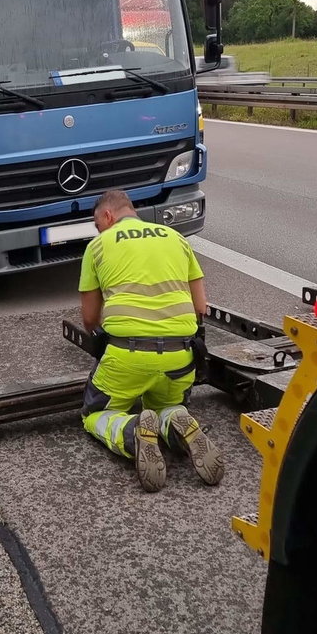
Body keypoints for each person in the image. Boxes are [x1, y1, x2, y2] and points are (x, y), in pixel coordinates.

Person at [78, 189, 223, 492]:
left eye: (97, 223)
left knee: (96, 414)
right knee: (167, 405)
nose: (98, 229)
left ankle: (131, 430)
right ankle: (179, 423)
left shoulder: (98, 246)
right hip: (180, 356)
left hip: (128, 355)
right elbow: (200, 308)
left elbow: (90, 319)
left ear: (107, 215)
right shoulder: (176, 239)